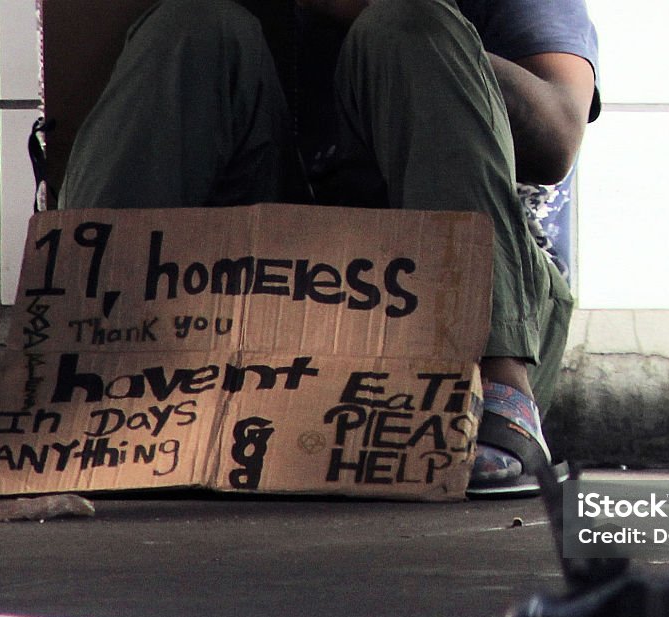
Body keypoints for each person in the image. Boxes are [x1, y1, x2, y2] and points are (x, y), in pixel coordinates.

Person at [59, 0, 601, 495]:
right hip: (253, 314)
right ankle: (78, 379)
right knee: (192, 27)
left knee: (409, 22)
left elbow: (557, 137)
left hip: (452, 314)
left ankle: (495, 390)